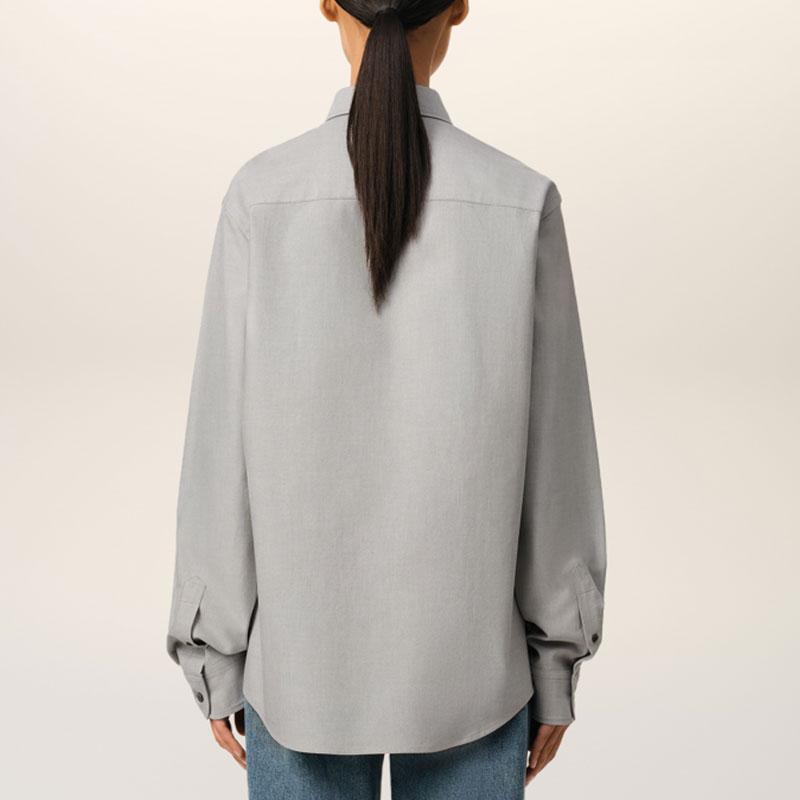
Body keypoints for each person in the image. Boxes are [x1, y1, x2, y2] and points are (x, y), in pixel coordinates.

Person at [166, 1, 607, 797]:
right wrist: (556, 663)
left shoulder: (260, 198)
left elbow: (219, 454)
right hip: (477, 681)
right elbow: (558, 466)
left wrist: (213, 656)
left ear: (328, 5)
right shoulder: (520, 200)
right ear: (460, 8)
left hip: (298, 679)